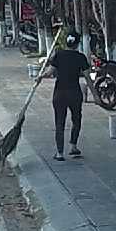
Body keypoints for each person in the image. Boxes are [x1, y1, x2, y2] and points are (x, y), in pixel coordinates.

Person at [38, 31, 89, 161]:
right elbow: (88, 77)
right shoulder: (81, 57)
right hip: (74, 93)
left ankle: (59, 153)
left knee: (59, 123)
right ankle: (73, 146)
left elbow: (50, 72)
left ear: (66, 42)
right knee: (76, 119)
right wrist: (95, 95)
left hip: (60, 93)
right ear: (77, 44)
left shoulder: (58, 55)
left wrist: (40, 76)